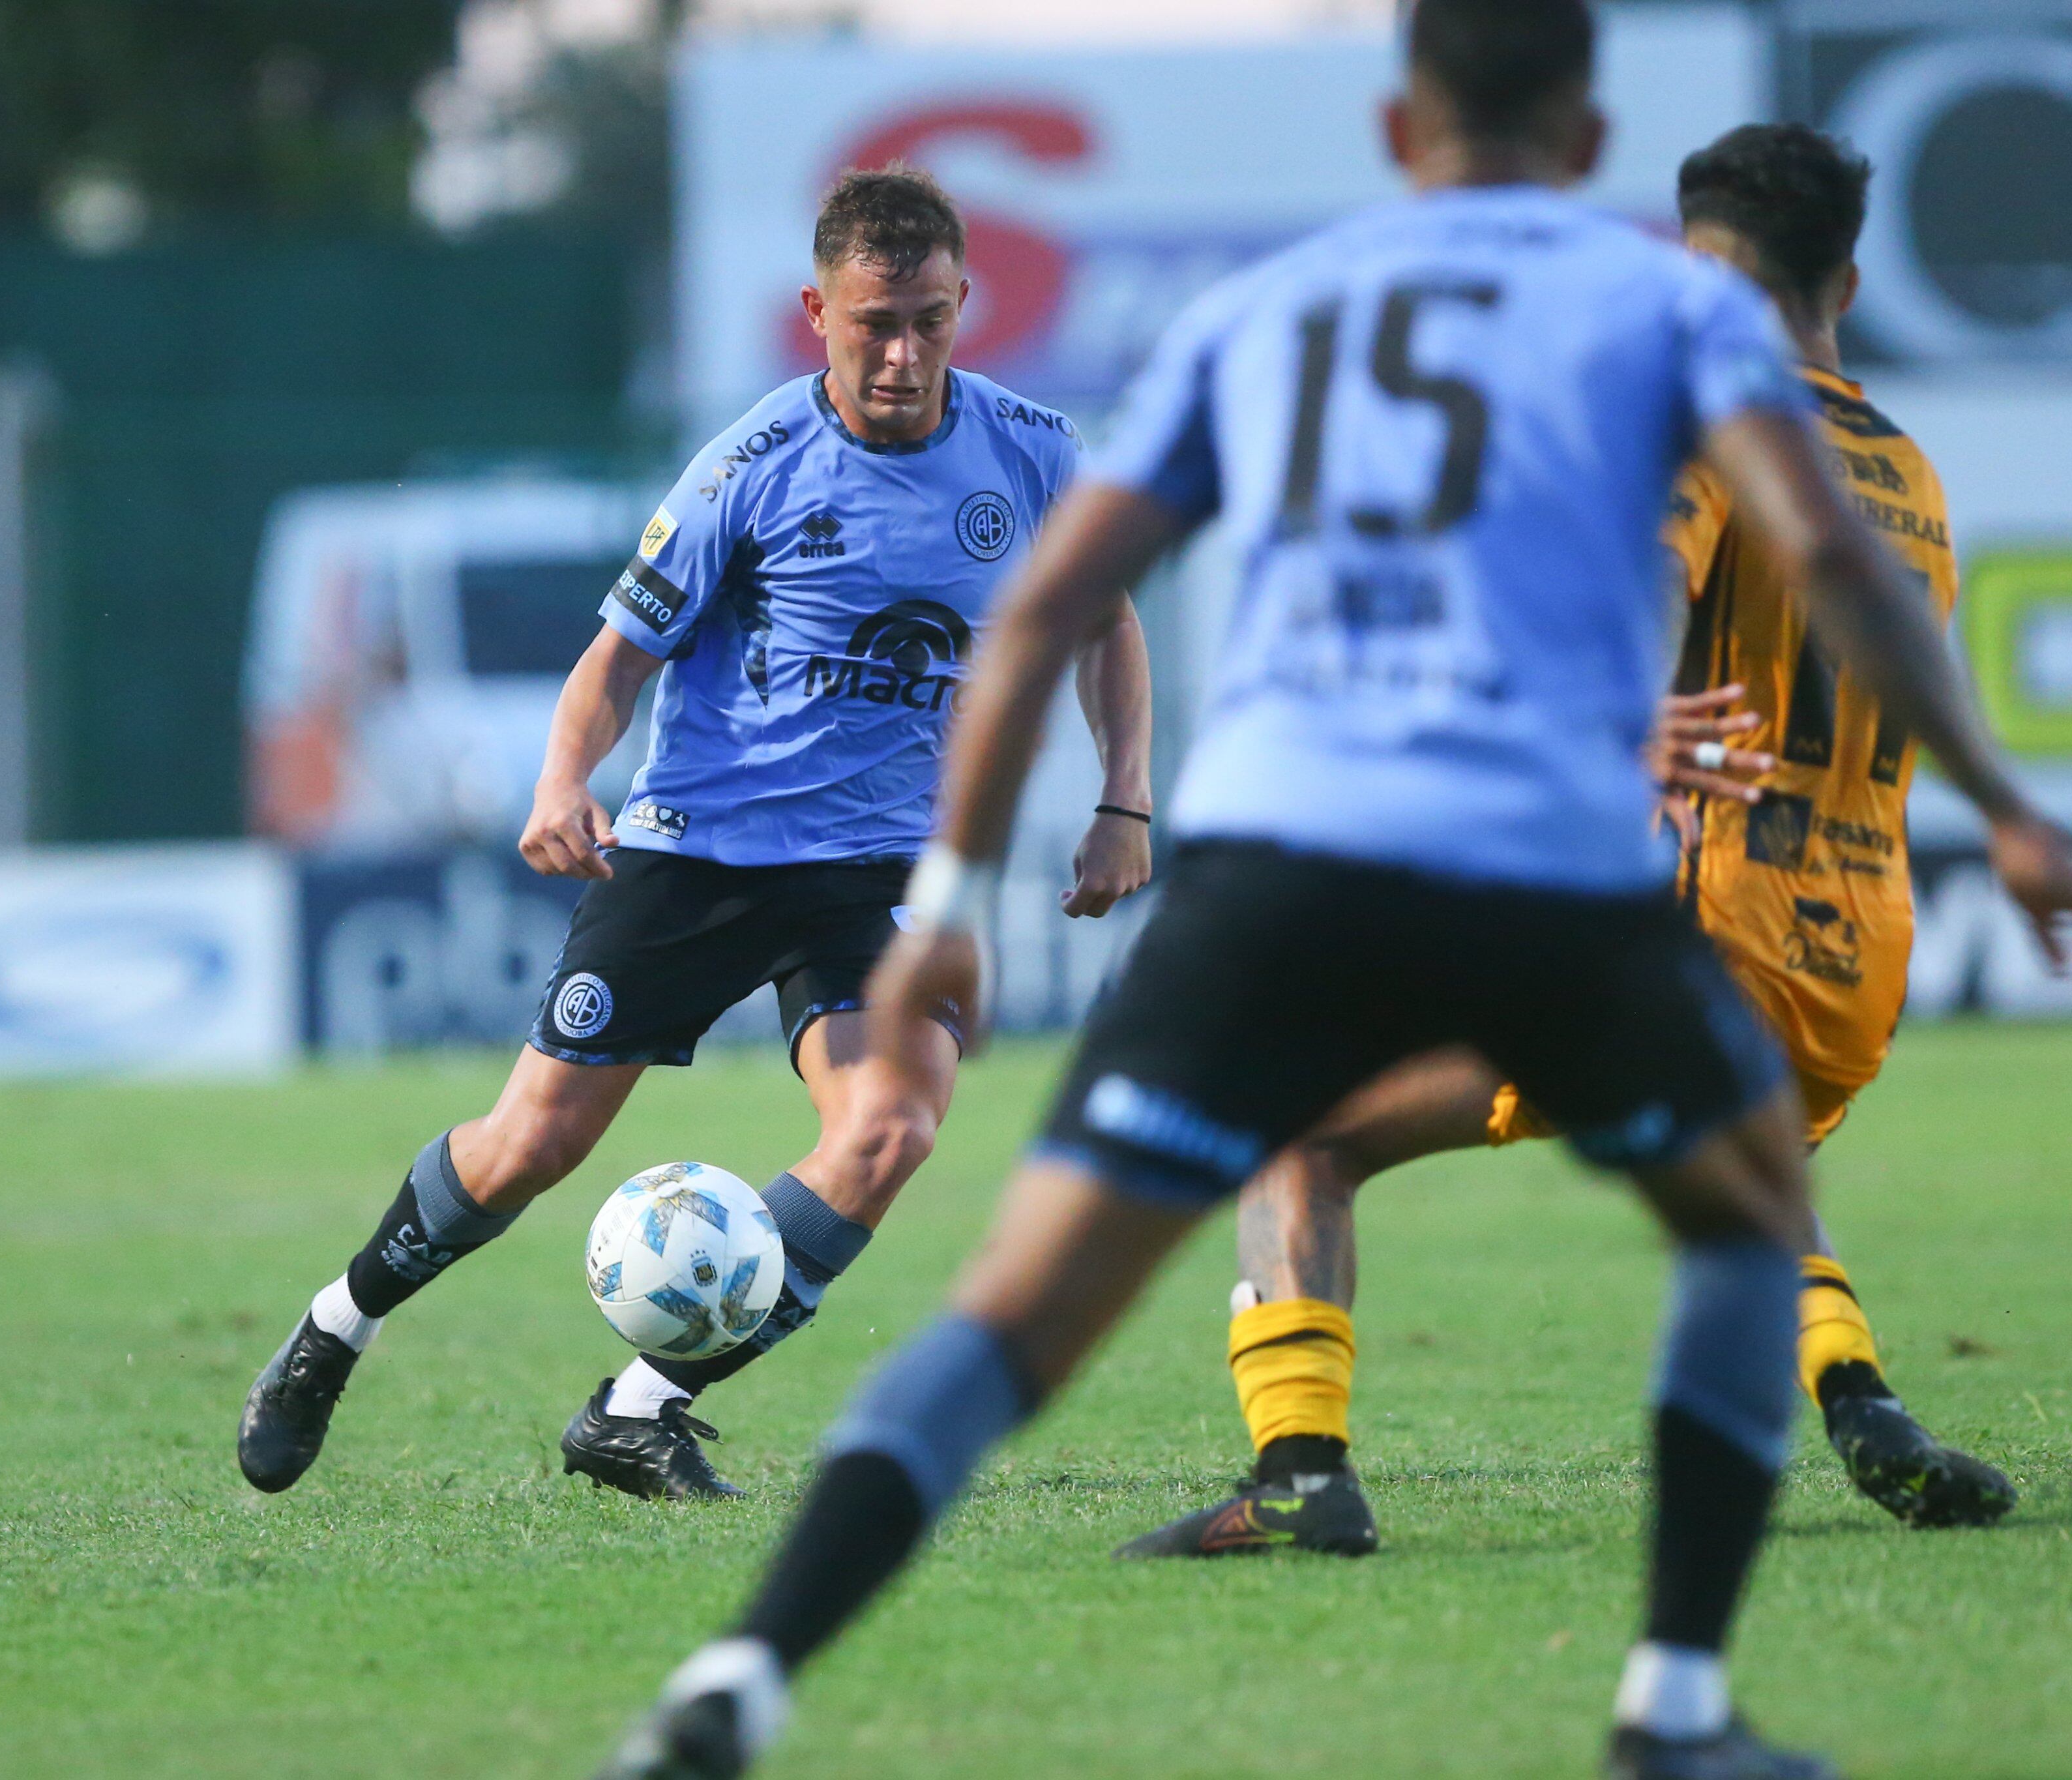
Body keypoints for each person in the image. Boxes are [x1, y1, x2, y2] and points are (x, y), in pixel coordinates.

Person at [596, 3, 2072, 1776]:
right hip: (1546, 867)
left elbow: (1055, 606)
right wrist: (2005, 805)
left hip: (1282, 863)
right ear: (1590, 135)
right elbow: (1832, 555)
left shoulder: (1262, 314)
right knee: (1754, 1223)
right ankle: (1675, 1700)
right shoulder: (1676, 307)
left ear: (1399, 134)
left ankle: (742, 1675)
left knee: (1022, 1303)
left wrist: (942, 906)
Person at [1140, 122, 2017, 1564]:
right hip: (1854, 948)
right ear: (1844, 281)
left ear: (1689, 263)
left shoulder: (1703, 425)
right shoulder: (1902, 468)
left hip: (1697, 909)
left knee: (1293, 1126)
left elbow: (1649, 593)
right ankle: (1862, 1404)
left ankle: (1299, 1474)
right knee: (1736, 1156)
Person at [237, 166, 1157, 1504]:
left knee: (890, 1133)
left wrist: (1123, 798)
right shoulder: (750, 464)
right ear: (815, 313)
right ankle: (334, 1327)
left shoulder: (1030, 454)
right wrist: (561, 783)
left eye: (930, 321)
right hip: (701, 852)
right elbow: (615, 660)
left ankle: (638, 1407)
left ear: (965, 305)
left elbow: (1107, 621)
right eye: (871, 325)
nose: (902, 356)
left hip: (880, 876)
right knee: (529, 1148)